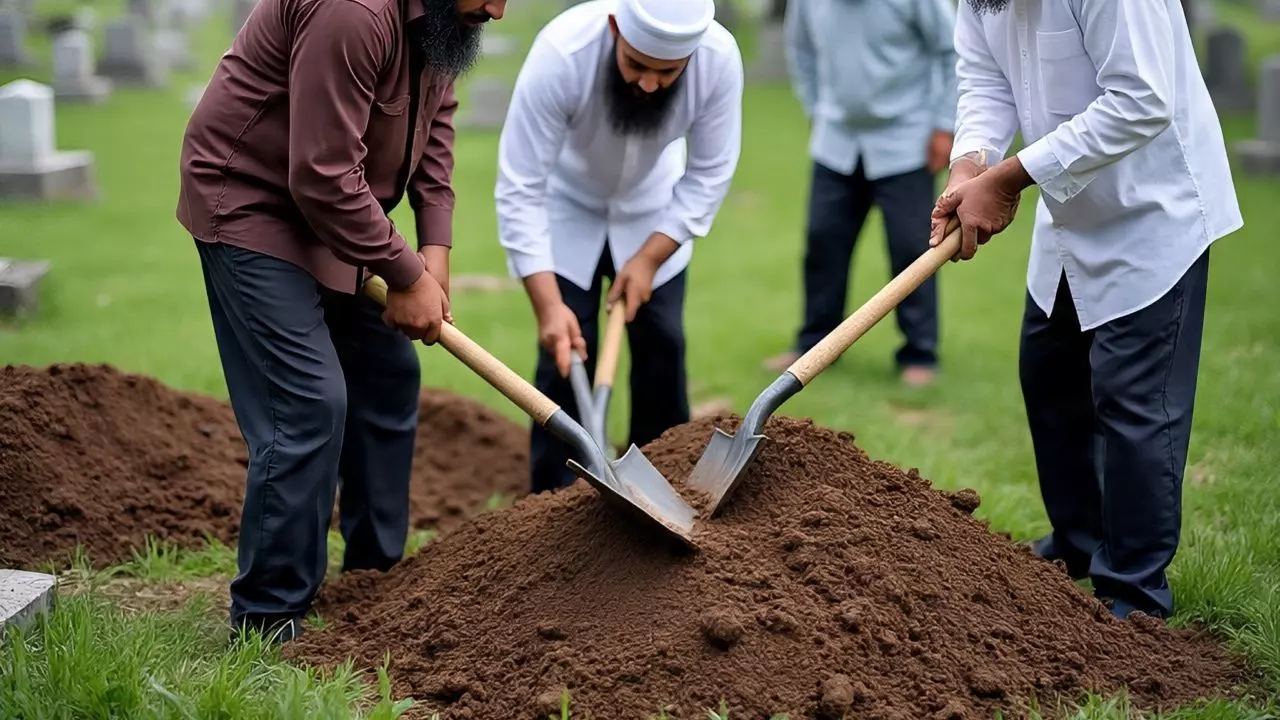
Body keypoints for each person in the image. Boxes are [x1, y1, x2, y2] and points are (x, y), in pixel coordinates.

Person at [176, 0, 506, 643]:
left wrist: (432, 254)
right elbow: (321, 173)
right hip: (253, 204)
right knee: (307, 404)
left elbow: (433, 121)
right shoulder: (353, 12)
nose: (495, 9)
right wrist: (404, 275)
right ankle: (268, 621)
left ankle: (376, 581)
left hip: (338, 212)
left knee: (386, 376)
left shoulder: (446, 20)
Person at [931, 0, 1242, 620]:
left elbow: (1142, 100)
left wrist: (1010, 178)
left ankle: (1132, 591)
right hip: (1069, 218)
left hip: (1152, 214)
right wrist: (972, 161)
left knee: (1134, 405)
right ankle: (1078, 544)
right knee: (1048, 376)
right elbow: (985, 77)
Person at [494, 0, 743, 494]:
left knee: (663, 345)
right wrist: (548, 308)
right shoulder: (562, 53)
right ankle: (551, 504)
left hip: (656, 210)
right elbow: (520, 188)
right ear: (614, 30)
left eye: (668, 71)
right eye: (637, 65)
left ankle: (667, 486)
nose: (650, 83)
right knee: (566, 359)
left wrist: (651, 257)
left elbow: (710, 174)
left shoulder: (718, 57)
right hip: (567, 208)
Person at [762, 0, 958, 387]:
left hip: (907, 139)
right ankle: (814, 345)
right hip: (836, 139)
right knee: (823, 240)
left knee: (911, 248)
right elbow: (801, 51)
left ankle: (919, 353)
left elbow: (951, 52)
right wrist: (816, 108)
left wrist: (943, 124)